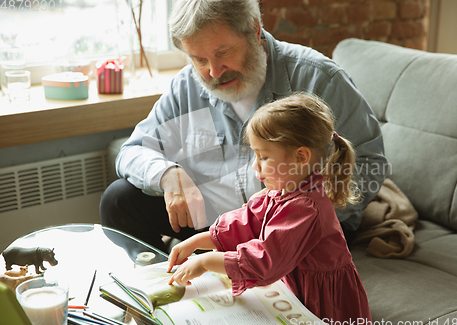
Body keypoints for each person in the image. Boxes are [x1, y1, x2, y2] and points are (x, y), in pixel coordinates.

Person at [99, 0, 387, 253]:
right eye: (199, 59)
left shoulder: (319, 79)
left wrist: (304, 207)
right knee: (118, 201)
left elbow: (371, 165)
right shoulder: (186, 86)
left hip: (296, 228)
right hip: (218, 223)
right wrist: (168, 175)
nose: (213, 72)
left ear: (255, 30)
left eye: (223, 52)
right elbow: (133, 152)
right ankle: (161, 286)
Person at [167, 93, 373, 325]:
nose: (255, 165)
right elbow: (245, 222)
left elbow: (266, 260)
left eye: (264, 157)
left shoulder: (306, 208)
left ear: (300, 157)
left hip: (322, 304)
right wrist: (197, 242)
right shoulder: (282, 190)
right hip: (294, 289)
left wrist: (206, 262)